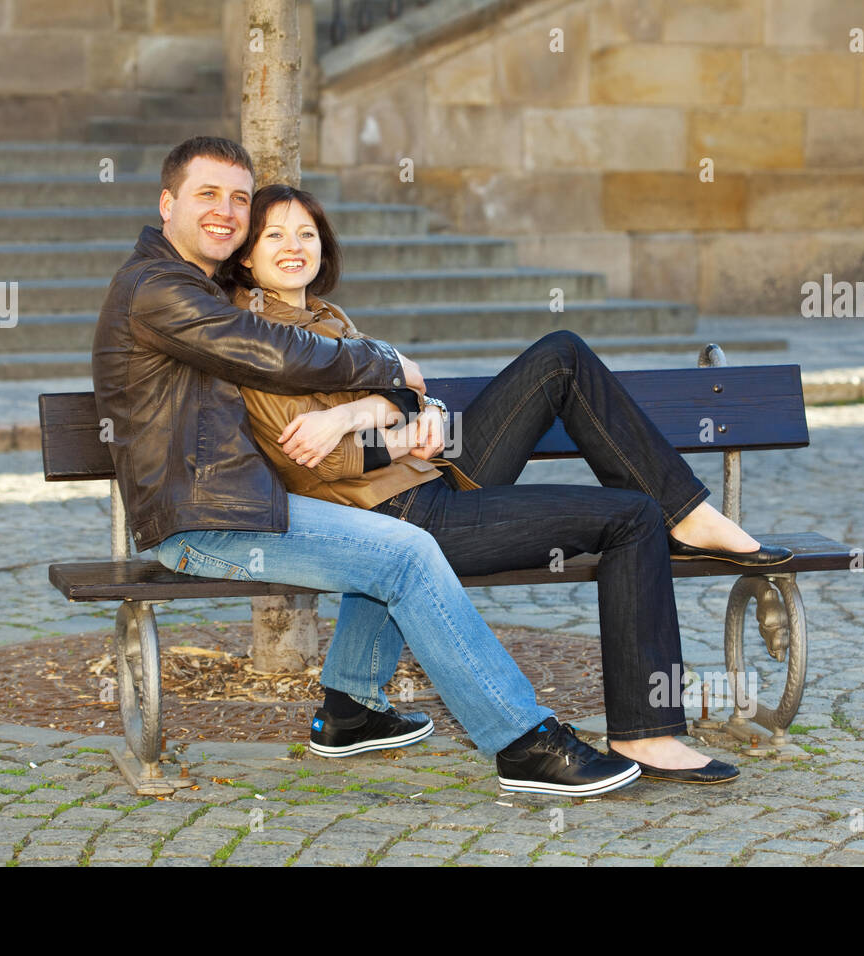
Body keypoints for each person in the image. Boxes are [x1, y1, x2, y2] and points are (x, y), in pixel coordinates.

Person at [93, 135, 645, 797]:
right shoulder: (158, 290)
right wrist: (387, 363)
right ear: (166, 203)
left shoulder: (191, 283)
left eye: (238, 197)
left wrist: (398, 397)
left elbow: (304, 368)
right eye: (207, 194)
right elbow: (273, 353)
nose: (226, 209)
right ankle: (524, 743)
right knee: (406, 553)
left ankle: (352, 713)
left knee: (384, 543)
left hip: (239, 502)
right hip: (206, 522)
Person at [218, 182, 796, 784]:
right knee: (631, 518)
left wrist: (410, 410)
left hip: (430, 476)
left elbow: (401, 384)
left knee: (561, 356)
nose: (295, 246)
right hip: (402, 515)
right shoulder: (254, 338)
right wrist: (397, 430)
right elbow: (317, 462)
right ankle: (647, 733)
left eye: (306, 233)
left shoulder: (325, 318)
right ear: (246, 257)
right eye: (274, 236)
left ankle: (350, 708)